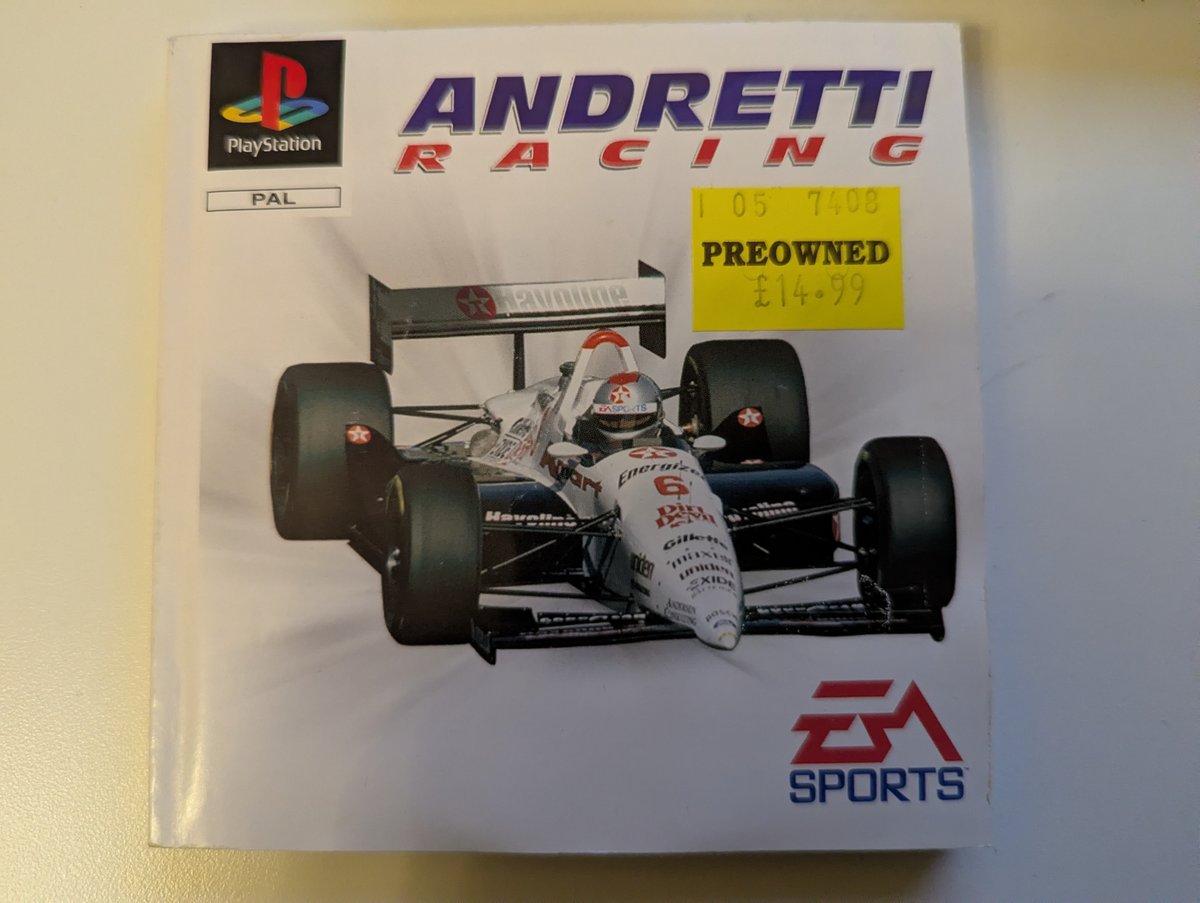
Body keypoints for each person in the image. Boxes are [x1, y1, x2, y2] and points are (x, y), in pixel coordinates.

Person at [575, 371, 665, 453]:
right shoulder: (584, 450)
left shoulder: (670, 443)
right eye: (612, 420)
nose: (622, 424)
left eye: (630, 420)